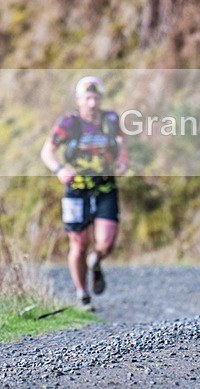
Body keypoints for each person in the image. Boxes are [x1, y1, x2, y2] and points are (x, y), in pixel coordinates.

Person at [40, 76, 128, 311]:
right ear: (79, 100)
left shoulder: (110, 119)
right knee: (79, 244)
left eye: (96, 97)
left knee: (106, 243)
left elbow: (121, 140)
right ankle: (83, 294)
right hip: (76, 190)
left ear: (101, 99)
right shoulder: (69, 123)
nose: (92, 103)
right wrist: (59, 169)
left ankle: (96, 260)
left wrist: (122, 161)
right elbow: (47, 151)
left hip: (105, 187)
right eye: (87, 98)